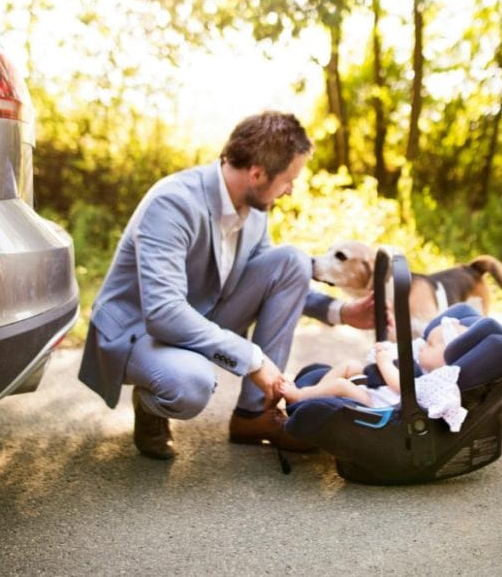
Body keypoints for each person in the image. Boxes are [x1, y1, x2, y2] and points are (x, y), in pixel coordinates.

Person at [79, 111, 377, 460]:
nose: (290, 190)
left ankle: (254, 415)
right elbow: (162, 313)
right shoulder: (173, 203)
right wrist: (253, 359)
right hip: (138, 330)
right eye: (288, 180)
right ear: (257, 173)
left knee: (293, 260)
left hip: (198, 314)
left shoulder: (254, 211)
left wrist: (340, 311)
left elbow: (275, 279)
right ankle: (152, 404)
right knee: (190, 385)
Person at [281, 303, 502, 432]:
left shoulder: (437, 381)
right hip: (377, 391)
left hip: (381, 406)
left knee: (342, 384)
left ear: (445, 358)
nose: (422, 347)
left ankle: (301, 396)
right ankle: (316, 391)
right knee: (349, 365)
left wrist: (383, 362)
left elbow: (400, 385)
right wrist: (385, 352)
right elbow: (405, 357)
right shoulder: (424, 362)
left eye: (430, 345)